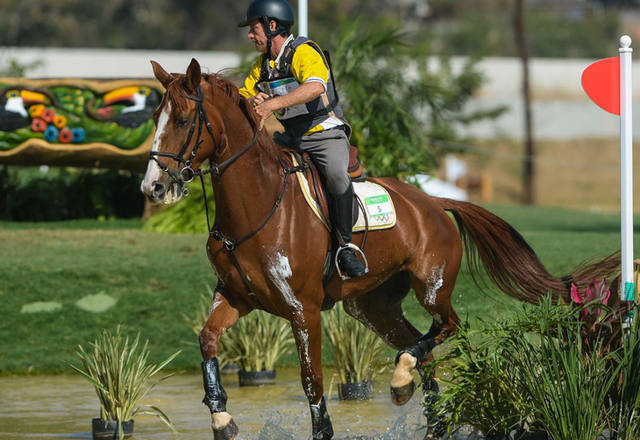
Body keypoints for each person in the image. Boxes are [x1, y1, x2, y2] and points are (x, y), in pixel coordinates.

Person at [238, 0, 366, 278]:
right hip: (291, 138)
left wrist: (272, 104)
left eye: (253, 28)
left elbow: (315, 86)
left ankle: (345, 247)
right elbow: (242, 95)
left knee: (335, 174)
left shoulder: (304, 51)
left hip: (324, 134)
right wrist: (252, 99)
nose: (250, 35)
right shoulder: (263, 65)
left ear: (272, 26)